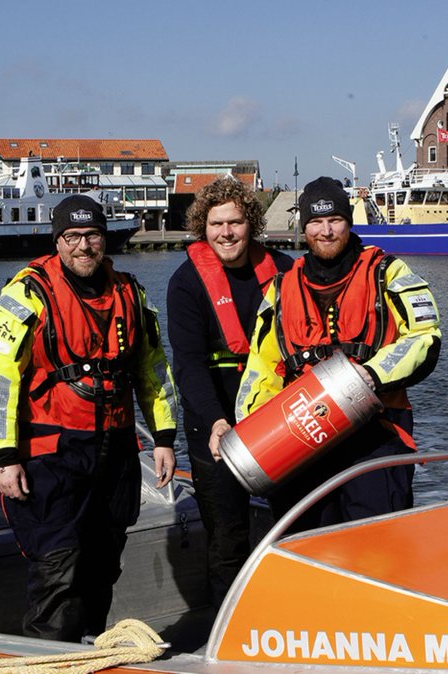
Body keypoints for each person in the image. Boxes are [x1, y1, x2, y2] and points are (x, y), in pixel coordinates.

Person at [0, 194, 178, 642]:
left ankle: (90, 650)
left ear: (104, 239)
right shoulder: (26, 295)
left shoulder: (131, 293)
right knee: (57, 568)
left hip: (115, 450)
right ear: (58, 241)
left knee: (103, 563)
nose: (83, 246)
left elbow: (152, 370)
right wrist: (3, 456)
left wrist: (164, 436)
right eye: (72, 237)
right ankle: (48, 662)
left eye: (92, 235)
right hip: (52, 453)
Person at [234, 177, 441, 533]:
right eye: (316, 222)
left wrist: (372, 375)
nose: (326, 231)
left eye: (335, 220)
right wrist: (249, 431)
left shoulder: (387, 273)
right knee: (306, 545)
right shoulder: (280, 290)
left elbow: (426, 336)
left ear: (348, 221)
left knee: (378, 544)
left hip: (376, 434)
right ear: (305, 228)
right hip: (303, 437)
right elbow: (261, 367)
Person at [165, 177, 292, 604]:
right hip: (214, 420)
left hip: (279, 416)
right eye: (216, 224)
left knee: (292, 526)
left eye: (235, 222)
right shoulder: (186, 283)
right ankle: (227, 629)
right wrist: (217, 420)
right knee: (226, 537)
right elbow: (188, 365)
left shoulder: (286, 271)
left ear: (250, 223)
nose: (226, 233)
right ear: (204, 227)